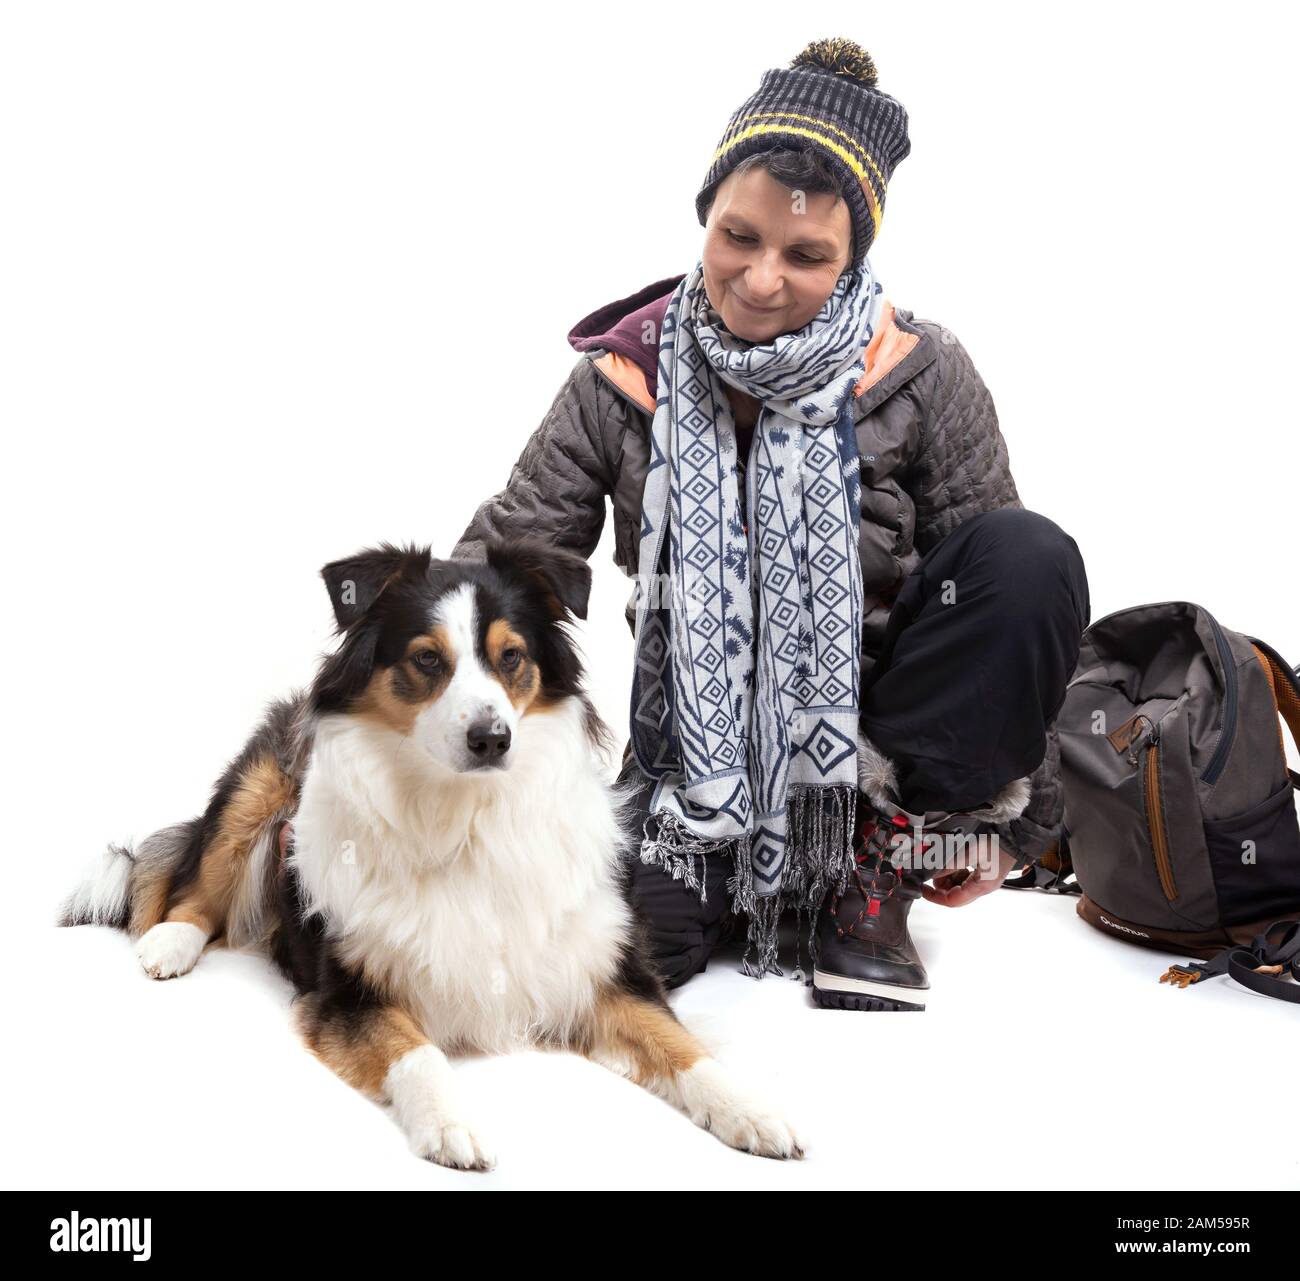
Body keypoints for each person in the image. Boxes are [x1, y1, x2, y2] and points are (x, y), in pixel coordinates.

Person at [452, 37, 1090, 1011]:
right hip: (688, 770)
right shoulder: (623, 380)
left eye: (805, 255)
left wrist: (1005, 827)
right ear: (705, 216)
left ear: (852, 258)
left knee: (1028, 554)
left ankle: (864, 876)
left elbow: (1008, 620)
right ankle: (709, 870)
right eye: (738, 237)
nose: (760, 279)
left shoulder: (923, 372)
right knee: (604, 967)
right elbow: (502, 568)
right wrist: (376, 747)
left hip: (876, 763)